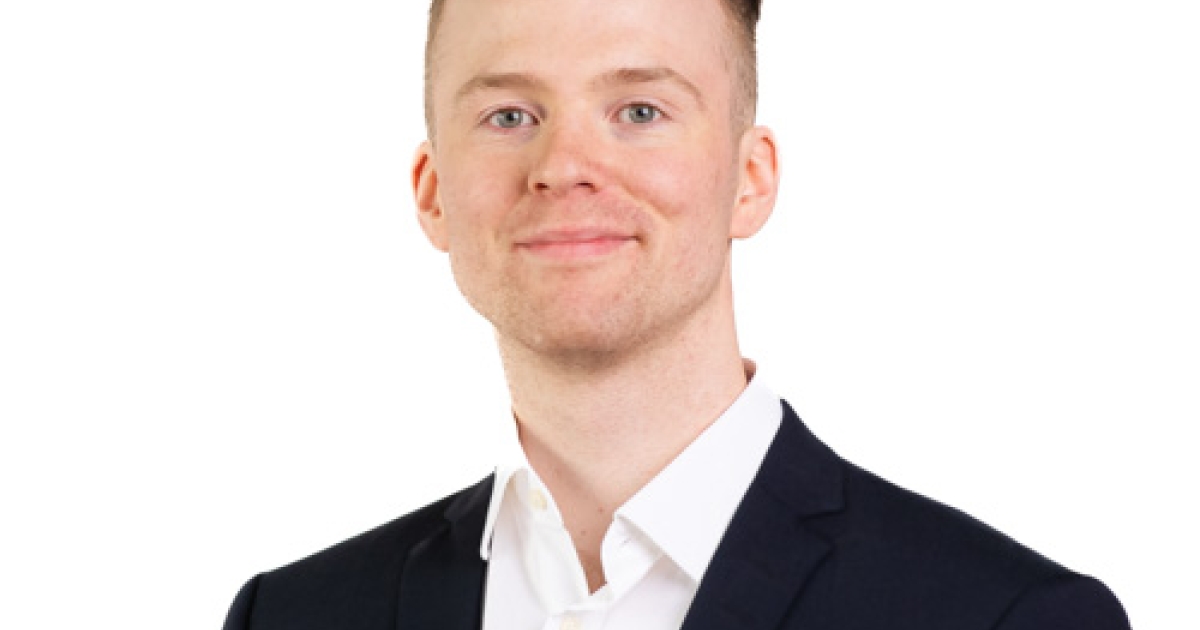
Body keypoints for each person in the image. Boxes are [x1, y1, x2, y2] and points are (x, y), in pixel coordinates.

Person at [222, 0, 1132, 628]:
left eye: (640, 110)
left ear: (751, 178)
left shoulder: (1006, 620)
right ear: (431, 193)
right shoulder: (290, 618)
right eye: (508, 116)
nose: (563, 165)